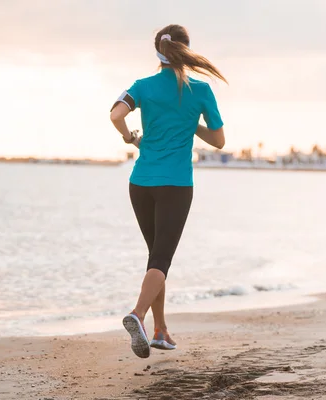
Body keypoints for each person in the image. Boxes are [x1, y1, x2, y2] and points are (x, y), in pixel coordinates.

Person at [109, 24, 227, 359]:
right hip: (175, 185)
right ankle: (138, 315)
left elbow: (116, 115)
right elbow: (219, 141)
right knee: (161, 259)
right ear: (186, 50)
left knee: (155, 259)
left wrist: (130, 138)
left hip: (140, 183)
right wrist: (192, 123)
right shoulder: (201, 90)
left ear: (157, 52)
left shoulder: (142, 86)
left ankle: (160, 331)